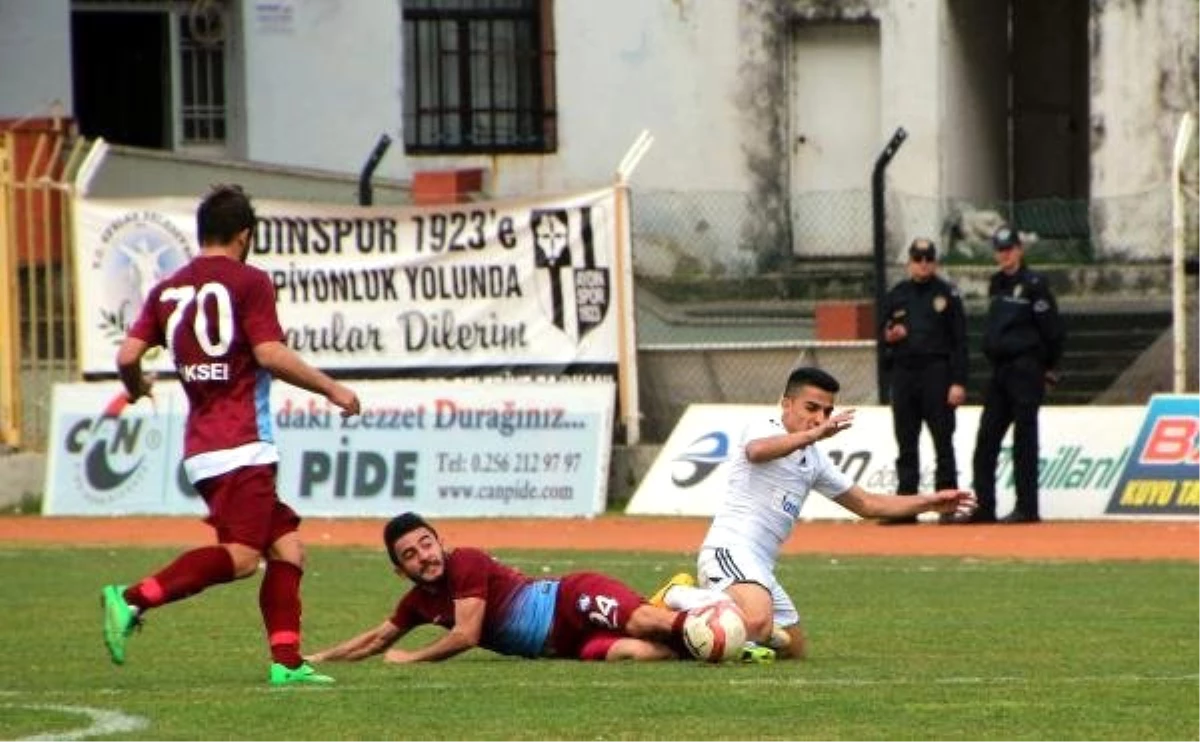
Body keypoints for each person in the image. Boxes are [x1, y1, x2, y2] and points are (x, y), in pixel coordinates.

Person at [101, 185, 362, 685]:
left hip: (202, 448)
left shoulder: (168, 290)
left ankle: (287, 665)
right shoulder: (249, 282)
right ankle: (131, 599)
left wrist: (136, 391)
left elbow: (128, 356)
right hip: (243, 446)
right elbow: (268, 354)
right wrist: (331, 389)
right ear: (245, 236)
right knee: (243, 559)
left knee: (288, 549)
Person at [649, 366, 977, 660]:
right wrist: (813, 435)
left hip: (760, 567)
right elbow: (757, 452)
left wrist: (931, 503)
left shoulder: (815, 459)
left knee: (792, 647)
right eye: (812, 408)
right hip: (729, 550)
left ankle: (719, 619)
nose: (820, 418)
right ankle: (678, 597)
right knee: (758, 625)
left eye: (827, 411)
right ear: (786, 403)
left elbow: (867, 504)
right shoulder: (763, 427)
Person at [306, 512, 759, 664]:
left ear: (440, 542)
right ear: (400, 570)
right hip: (563, 645)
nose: (424, 555)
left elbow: (465, 635)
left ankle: (697, 611)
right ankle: (734, 642)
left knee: (645, 621)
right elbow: (378, 638)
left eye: (426, 543)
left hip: (570, 598)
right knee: (638, 653)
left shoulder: (465, 562)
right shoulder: (416, 602)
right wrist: (319, 657)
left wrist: (414, 657)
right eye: (410, 554)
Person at [956, 226, 1065, 524]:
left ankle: (1027, 507)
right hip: (1000, 370)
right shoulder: (996, 283)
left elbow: (1052, 331)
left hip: (1026, 368)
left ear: (1019, 250)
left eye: (1009, 249)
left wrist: (1049, 367)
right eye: (1000, 250)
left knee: (1024, 441)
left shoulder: (1034, 284)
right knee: (986, 440)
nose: (1004, 255)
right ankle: (984, 506)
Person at [879, 238, 968, 525]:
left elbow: (960, 342)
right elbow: (883, 334)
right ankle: (906, 505)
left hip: (936, 372)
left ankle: (947, 505)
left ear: (935, 262)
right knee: (906, 442)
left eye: (928, 259)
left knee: (943, 440)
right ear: (909, 262)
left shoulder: (947, 294)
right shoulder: (897, 294)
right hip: (904, 372)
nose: (923, 264)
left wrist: (958, 382)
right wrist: (890, 338)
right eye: (918, 259)